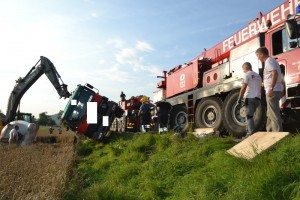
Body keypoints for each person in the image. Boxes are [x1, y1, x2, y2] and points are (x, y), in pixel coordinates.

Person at [256, 47, 284, 132]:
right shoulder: (273, 61)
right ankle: (269, 132)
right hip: (276, 90)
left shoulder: (269, 61)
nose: (258, 58)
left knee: (274, 115)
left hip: (273, 91)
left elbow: (274, 73)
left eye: (258, 55)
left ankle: (278, 136)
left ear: (262, 54)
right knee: (269, 113)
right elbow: (279, 74)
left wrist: (271, 88)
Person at [237, 62, 262, 138]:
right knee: (251, 116)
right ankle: (249, 132)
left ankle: (250, 134)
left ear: (246, 68)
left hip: (250, 97)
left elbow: (244, 87)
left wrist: (239, 98)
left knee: (249, 116)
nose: (243, 71)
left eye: (243, 69)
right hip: (257, 98)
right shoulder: (258, 76)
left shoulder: (247, 75)